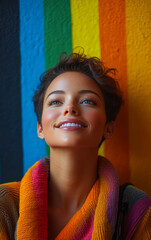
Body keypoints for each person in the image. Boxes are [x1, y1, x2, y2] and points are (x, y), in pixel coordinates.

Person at [0, 52, 151, 240]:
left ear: (108, 128)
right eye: (56, 101)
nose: (69, 108)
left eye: (87, 101)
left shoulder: (137, 211)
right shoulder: (4, 204)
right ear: (40, 128)